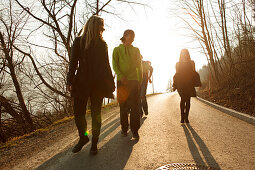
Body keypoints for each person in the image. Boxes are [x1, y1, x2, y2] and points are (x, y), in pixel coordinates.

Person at [66, 15, 115, 154]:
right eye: (101, 26)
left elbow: (106, 66)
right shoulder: (78, 42)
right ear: (94, 26)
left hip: (98, 85)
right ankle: (84, 137)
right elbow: (73, 63)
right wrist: (69, 80)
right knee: (79, 113)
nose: (103, 29)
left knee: (95, 114)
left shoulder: (102, 44)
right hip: (81, 83)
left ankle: (94, 143)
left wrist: (110, 84)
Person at [112, 29, 143, 140]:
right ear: (125, 36)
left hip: (133, 81)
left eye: (133, 37)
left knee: (134, 107)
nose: (132, 39)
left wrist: (139, 81)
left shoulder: (136, 50)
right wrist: (121, 76)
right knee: (123, 107)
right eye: (130, 36)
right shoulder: (117, 50)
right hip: (122, 82)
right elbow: (115, 65)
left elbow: (139, 66)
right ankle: (124, 129)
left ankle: (135, 131)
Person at [173, 49, 197, 123]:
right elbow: (176, 75)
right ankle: (182, 117)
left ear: (187, 54)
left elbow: (194, 73)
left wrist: (197, 82)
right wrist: (175, 85)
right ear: (181, 54)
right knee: (183, 99)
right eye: (182, 53)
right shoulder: (178, 64)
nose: (184, 54)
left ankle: (186, 117)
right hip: (181, 84)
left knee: (188, 100)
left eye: (185, 53)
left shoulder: (192, 62)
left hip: (189, 84)